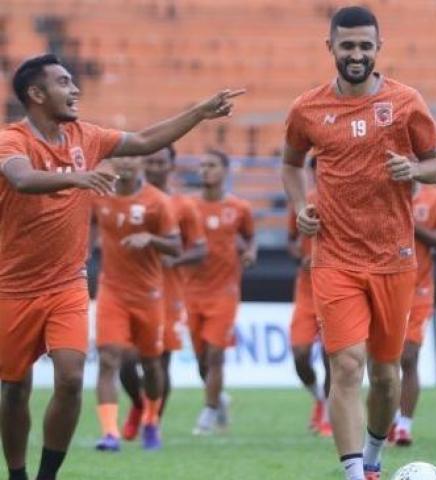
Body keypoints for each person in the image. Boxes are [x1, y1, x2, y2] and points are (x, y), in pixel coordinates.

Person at [0, 54, 242, 480]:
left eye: (73, 81)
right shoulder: (12, 140)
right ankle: (16, 473)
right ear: (36, 94)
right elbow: (20, 178)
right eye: (63, 82)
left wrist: (199, 114)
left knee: (72, 378)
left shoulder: (87, 136)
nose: (75, 89)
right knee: (14, 389)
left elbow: (147, 140)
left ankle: (46, 477)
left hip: (67, 285)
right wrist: (76, 178)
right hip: (12, 289)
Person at [281, 6, 436, 480]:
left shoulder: (407, 102)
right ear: (330, 47)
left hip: (394, 258)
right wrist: (299, 207)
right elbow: (291, 164)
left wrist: (413, 170)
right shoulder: (306, 108)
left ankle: (374, 454)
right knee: (346, 366)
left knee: (386, 375)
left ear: (378, 48)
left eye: (365, 46)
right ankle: (356, 472)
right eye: (347, 45)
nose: (356, 54)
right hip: (334, 257)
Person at [118, 146, 208, 441]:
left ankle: (150, 421)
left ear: (171, 166)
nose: (155, 166)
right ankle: (138, 404)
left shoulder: (184, 205)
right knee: (125, 361)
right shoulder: (128, 198)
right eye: (150, 161)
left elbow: (199, 248)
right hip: (128, 288)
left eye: (161, 162)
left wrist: (175, 259)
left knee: (159, 362)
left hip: (168, 293)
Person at [92, 155, 181, 451]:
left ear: (140, 162)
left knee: (152, 365)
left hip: (149, 294)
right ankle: (110, 433)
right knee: (108, 360)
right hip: (112, 291)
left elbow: (176, 246)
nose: (126, 163)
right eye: (119, 158)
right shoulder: (98, 194)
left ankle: (151, 420)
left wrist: (151, 239)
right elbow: (87, 224)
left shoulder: (158, 202)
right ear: (111, 163)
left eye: (131, 157)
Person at [186, 149, 256, 435]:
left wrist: (250, 253)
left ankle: (208, 411)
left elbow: (250, 238)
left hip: (225, 292)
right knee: (202, 359)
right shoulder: (187, 207)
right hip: (191, 290)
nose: (205, 170)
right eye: (202, 165)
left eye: (212, 165)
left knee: (216, 355)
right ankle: (218, 398)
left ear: (225, 170)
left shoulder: (239, 208)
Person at [390, 184, 436, 446]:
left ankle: (404, 426)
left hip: (419, 288)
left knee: (409, 355)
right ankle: (389, 421)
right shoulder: (383, 193)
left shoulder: (435, 199)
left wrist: (414, 225)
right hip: (386, 286)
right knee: (385, 360)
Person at [286, 157, 332, 437]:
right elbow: (291, 240)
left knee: (332, 356)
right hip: (306, 290)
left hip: (335, 287)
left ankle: (328, 415)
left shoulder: (347, 201)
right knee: (300, 354)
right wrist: (300, 257)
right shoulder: (303, 202)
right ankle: (319, 397)